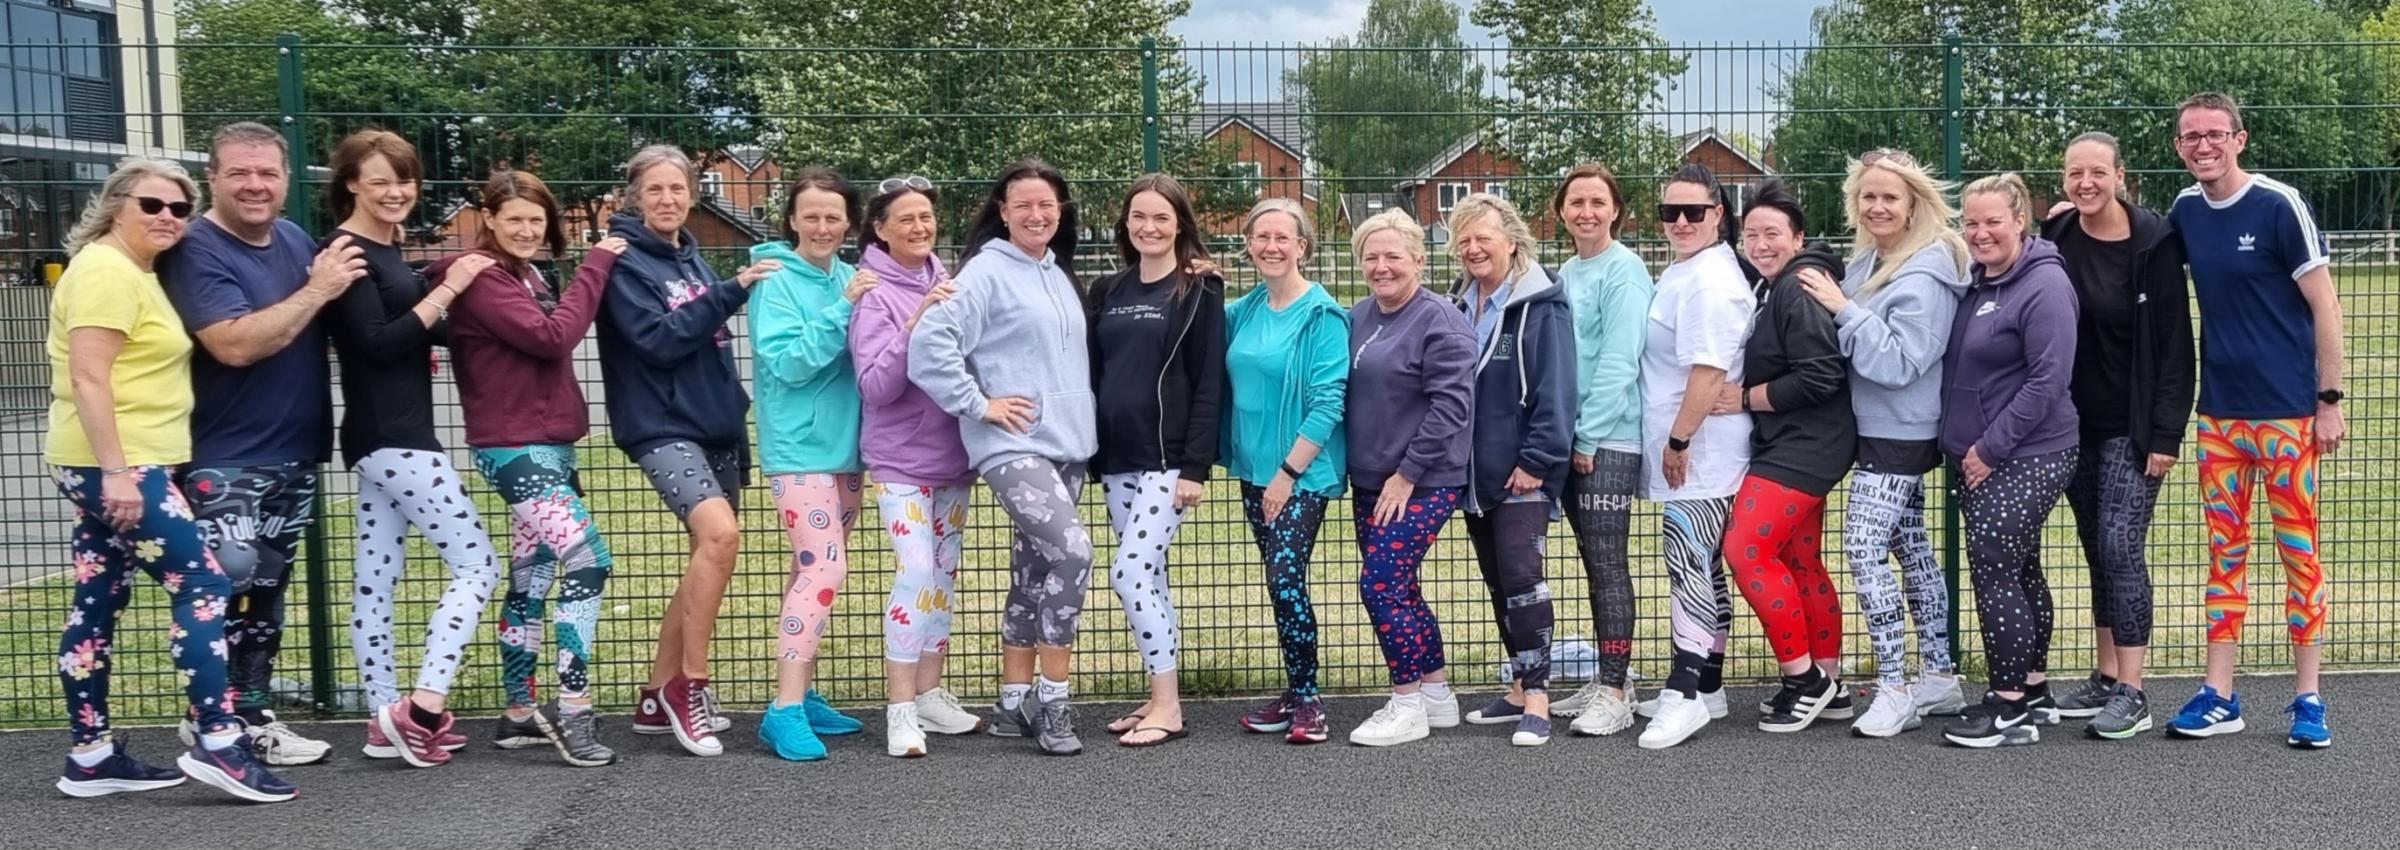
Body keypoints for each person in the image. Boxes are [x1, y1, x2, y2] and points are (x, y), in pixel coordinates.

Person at [48, 157, 295, 802]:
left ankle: (91, 754)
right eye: (151, 205)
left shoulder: (133, 271)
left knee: (98, 597)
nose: (167, 217)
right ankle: (217, 738)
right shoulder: (105, 272)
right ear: (115, 206)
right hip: (119, 463)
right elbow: (88, 378)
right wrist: (116, 473)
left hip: (123, 461)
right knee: (206, 582)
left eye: (179, 209)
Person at [158, 121, 355, 766]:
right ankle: (207, 720)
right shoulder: (196, 248)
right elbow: (233, 343)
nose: (255, 184)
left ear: (286, 178)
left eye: (268, 173)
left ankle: (251, 715)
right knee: (225, 582)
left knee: (266, 594)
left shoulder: (295, 239)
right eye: (239, 172)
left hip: (293, 449)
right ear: (212, 177)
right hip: (225, 454)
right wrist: (319, 288)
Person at [317, 130, 504, 768]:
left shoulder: (389, 251)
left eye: (405, 180)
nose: (396, 192)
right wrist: (451, 287)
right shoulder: (346, 252)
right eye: (380, 181)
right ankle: (421, 706)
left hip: (385, 440)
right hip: (395, 441)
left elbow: (434, 328)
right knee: (479, 567)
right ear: (350, 184)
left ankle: (380, 720)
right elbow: (376, 342)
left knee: (376, 582)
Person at [2164, 92, 2343, 748]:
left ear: (2240, 138)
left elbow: (2326, 305)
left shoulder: (2277, 204)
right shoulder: (2185, 210)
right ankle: (2219, 694)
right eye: (2191, 136)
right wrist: (2074, 212)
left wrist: (2329, 400)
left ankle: (2309, 699)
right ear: (2179, 146)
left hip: (2290, 416)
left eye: (2215, 134)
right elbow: (2138, 249)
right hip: (2220, 419)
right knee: (2224, 554)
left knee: (2300, 555)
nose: (2203, 146)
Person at [909, 158, 1099, 757]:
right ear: (1003, 211)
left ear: (1060, 211)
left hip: (1069, 446)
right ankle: (1053, 695)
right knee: (1074, 553)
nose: (1037, 215)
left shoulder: (1055, 270)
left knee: (1035, 573)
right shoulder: (986, 272)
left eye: (1047, 205)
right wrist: (979, 404)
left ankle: (1013, 703)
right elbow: (928, 345)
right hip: (1013, 446)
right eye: (1024, 205)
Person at [440, 169, 626, 767]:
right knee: (589, 559)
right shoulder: (485, 280)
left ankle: (519, 712)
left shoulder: (528, 275)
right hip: (512, 448)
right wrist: (596, 264)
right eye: (514, 219)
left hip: (549, 446)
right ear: (489, 219)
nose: (526, 230)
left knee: (533, 575)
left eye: (536, 221)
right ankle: (575, 710)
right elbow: (554, 337)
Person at [604, 144, 777, 758]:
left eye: (677, 189)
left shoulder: (692, 259)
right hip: (659, 426)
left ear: (693, 194)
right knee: (720, 537)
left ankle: (655, 695)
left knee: (710, 550)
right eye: (655, 190)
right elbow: (656, 340)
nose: (668, 200)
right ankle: (689, 685)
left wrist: (736, 419)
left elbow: (716, 348)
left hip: (714, 428)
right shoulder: (624, 264)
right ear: (635, 197)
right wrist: (732, 290)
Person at [1791, 149, 1971, 737]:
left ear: (1914, 202)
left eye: (1890, 197)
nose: (1877, 206)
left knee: (1863, 547)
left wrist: (1844, 310)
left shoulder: (1927, 273)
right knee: (1911, 547)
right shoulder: (1870, 258)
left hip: (1903, 431)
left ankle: (1894, 686)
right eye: (1868, 196)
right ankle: (1939, 676)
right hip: (1872, 429)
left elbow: (1901, 363)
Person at [2038, 131, 2195, 740]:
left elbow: (2177, 349)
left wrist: (2165, 435)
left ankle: (2133, 690)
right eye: (2075, 173)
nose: (2085, 184)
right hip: (2074, 423)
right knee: (2096, 545)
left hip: (2133, 430)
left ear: (2120, 175)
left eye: (2097, 173)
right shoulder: (2056, 236)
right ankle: (2105, 675)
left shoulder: (2155, 242)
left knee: (2120, 543)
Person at [1938, 173, 2080, 748]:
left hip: (2031, 451)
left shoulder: (2043, 286)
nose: (1980, 233)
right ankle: (2035, 687)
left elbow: (2048, 379)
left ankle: (2008, 702)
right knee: (2018, 568)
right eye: (1971, 222)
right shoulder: (1978, 283)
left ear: (2021, 220)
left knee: (1994, 564)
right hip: (1981, 456)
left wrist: (1990, 449)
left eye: (1993, 220)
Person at [850, 175, 990, 756]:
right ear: (880, 230)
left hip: (953, 459)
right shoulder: (873, 294)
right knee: (915, 574)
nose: (919, 227)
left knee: (942, 579)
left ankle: (931, 697)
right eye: (905, 219)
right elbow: (876, 386)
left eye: (926, 217)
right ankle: (900, 709)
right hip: (899, 463)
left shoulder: (950, 282)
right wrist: (915, 325)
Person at [1086, 174, 1226, 748]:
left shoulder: (1199, 290)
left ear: (1180, 226)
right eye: (1139, 217)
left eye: (1161, 218)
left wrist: (1195, 466)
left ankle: (1168, 706)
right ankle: (1159, 694)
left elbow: (1209, 382)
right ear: (1126, 224)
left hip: (1167, 462)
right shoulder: (1107, 289)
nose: (1149, 227)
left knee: (1129, 572)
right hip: (1118, 456)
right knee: (1152, 578)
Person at [747, 168, 881, 761]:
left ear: (848, 222)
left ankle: (802, 694)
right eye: (811, 216)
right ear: (793, 220)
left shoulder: (852, 276)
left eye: (833, 216)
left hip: (846, 450)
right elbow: (790, 365)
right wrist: (841, 312)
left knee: (810, 572)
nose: (823, 226)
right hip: (797, 452)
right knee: (825, 571)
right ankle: (782, 709)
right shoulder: (774, 283)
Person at [1713, 180, 1856, 734]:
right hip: (1796, 442)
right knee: (1798, 562)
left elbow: (1820, 376)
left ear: (1798, 237)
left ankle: (1806, 681)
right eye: (1751, 234)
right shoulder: (1777, 286)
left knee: (1746, 549)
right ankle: (1832, 686)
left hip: (1806, 445)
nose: (1761, 244)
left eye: (1773, 233)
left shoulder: (1797, 287)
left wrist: (1744, 398)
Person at [1340, 210, 1476, 748]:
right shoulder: (1358, 316)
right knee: (1399, 584)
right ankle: (1437, 693)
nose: (1381, 266)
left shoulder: (1440, 320)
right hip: (1370, 477)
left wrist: (1407, 474)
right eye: (1371, 256)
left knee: (1379, 583)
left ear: (1419, 259)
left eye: (1393, 255)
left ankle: (1405, 703)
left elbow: (1453, 407)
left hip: (1424, 479)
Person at [1443, 194, 1574, 747]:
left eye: (1484, 238)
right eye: (1463, 240)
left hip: (1524, 470)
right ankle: (1520, 685)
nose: (1473, 249)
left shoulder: (1542, 306)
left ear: (1512, 241)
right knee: (1498, 582)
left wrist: (1536, 461)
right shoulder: (1456, 302)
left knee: (1524, 580)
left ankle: (1539, 698)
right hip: (1474, 473)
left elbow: (1558, 390)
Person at [1633, 164, 1753, 751]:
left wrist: (1680, 440)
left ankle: (1684, 695)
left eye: (1694, 212)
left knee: (1686, 563)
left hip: (1700, 454)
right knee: (1702, 566)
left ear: (1718, 214)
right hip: (1691, 449)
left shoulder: (1709, 281)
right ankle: (1708, 686)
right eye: (1669, 212)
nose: (1680, 222)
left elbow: (1708, 371)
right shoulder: (1690, 268)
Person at [1224, 198, 1348, 745]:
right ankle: (1294, 692)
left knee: (1285, 579)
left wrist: (1287, 474)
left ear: (1303, 247)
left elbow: (1328, 403)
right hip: (1252, 470)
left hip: (1300, 474)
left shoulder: (1323, 316)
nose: (1271, 246)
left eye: (1283, 238)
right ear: (1248, 244)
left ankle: (1310, 700)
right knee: (1279, 586)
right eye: (1261, 237)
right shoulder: (1244, 309)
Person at [1546, 163, 1651, 738]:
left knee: (1608, 563)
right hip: (1573, 436)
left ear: (1616, 210)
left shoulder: (1625, 271)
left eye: (1598, 202)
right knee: (1591, 561)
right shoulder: (1567, 270)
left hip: (1606, 439)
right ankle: (1616, 675)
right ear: (1562, 211)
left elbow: (1619, 360)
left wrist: (1587, 436)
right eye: (1576, 202)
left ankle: (1614, 692)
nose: (1587, 211)